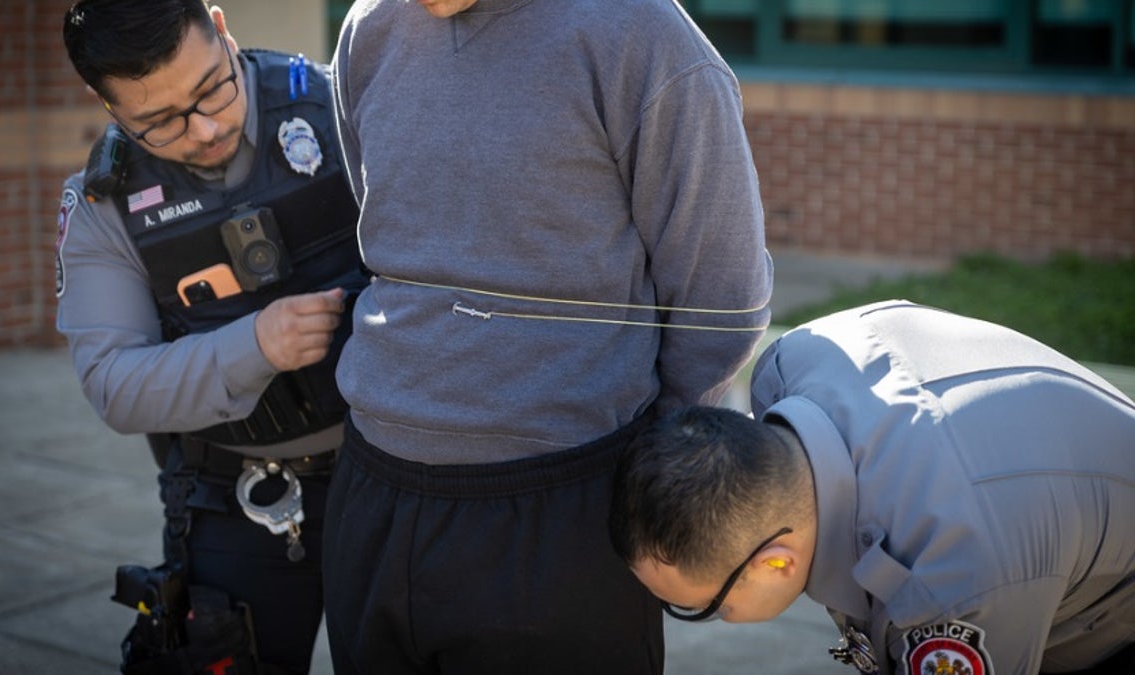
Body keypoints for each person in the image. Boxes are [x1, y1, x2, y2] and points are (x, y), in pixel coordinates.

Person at [323, 0, 772, 672]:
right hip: (374, 492)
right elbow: (383, 226)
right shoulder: (369, 26)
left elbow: (722, 300)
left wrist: (642, 457)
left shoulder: (643, 35)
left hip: (566, 508)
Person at [56, 1, 366, 672]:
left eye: (211, 89)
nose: (203, 129)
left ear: (222, 30)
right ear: (106, 104)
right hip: (233, 491)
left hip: (387, 470)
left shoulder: (338, 104)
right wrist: (254, 346)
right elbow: (113, 385)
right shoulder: (103, 202)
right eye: (159, 122)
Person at [611, 300, 1135, 675]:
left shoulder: (944, 585)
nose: (717, 623)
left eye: (705, 608)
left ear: (776, 561)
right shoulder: (790, 364)